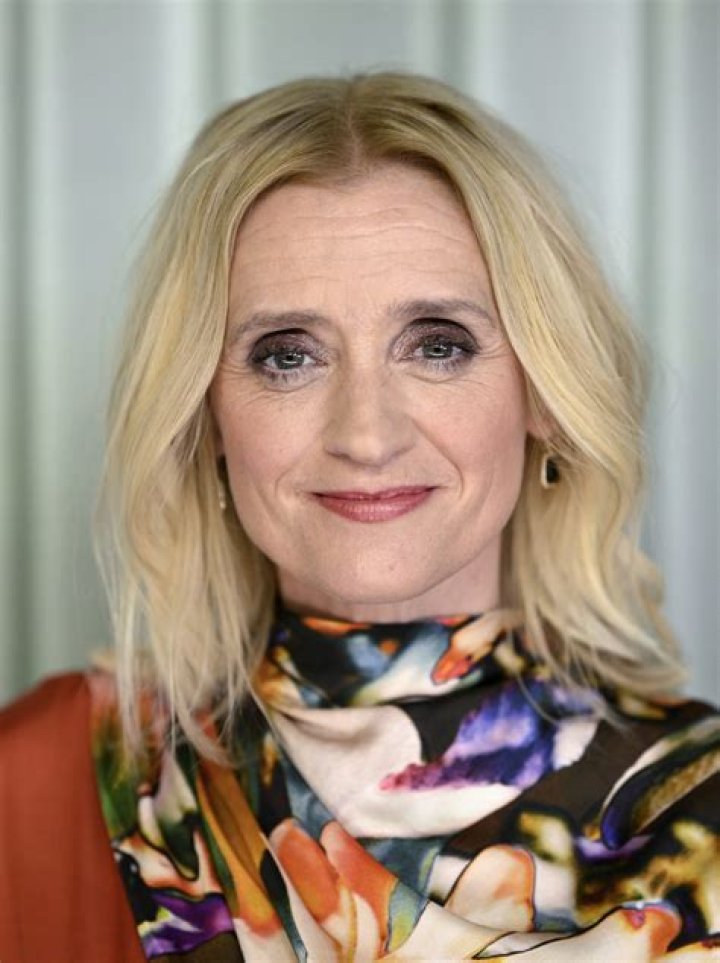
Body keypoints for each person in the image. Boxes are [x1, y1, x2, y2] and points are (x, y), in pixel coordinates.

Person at [0, 71, 717, 963]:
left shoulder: (701, 806)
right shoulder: (37, 785)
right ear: (206, 414)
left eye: (438, 345)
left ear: (543, 394)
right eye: (287, 356)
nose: (366, 435)